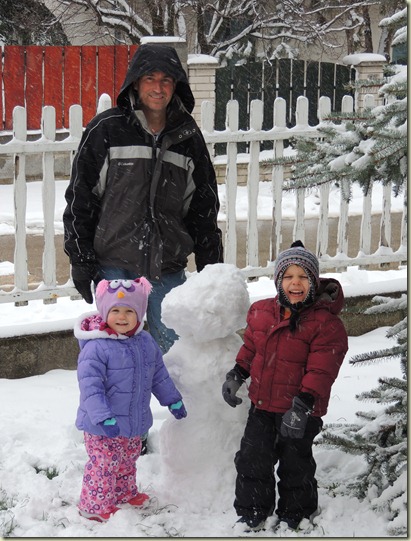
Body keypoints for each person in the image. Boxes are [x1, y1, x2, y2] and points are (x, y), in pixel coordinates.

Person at [63, 43, 223, 355]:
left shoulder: (188, 137)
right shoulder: (107, 129)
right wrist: (81, 258)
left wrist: (211, 269)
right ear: (136, 82)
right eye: (150, 78)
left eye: (166, 80)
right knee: (117, 354)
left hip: (168, 268)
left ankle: (173, 391)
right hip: (115, 268)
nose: (158, 88)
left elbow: (203, 208)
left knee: (177, 355)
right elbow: (81, 200)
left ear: (176, 85)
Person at [222, 241, 348, 533]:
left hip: (300, 409)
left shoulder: (325, 324)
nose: (295, 283)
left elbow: (322, 369)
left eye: (303, 277)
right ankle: (253, 510)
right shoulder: (261, 312)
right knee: (253, 459)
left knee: (295, 464)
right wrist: (236, 374)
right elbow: (251, 349)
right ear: (278, 280)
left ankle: (297, 513)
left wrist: (302, 405)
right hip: (262, 406)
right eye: (288, 276)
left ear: (314, 282)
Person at [74, 276, 187, 523]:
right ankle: (94, 505)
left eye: (129, 311)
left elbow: (158, 375)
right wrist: (102, 417)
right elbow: (90, 388)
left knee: (127, 459)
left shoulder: (145, 342)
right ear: (105, 312)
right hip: (102, 424)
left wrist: (172, 400)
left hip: (133, 420)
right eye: (115, 311)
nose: (122, 317)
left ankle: (124, 493)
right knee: (104, 464)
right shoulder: (96, 347)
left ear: (140, 313)